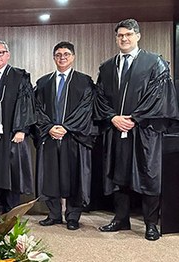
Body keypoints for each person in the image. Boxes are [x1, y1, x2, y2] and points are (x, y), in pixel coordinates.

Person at [94, 19, 179, 241]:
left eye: (128, 34)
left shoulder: (155, 63)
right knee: (119, 175)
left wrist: (134, 118)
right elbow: (100, 97)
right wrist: (113, 117)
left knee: (149, 175)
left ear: (138, 36)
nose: (124, 38)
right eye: (120, 35)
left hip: (145, 130)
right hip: (117, 129)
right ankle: (121, 219)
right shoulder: (107, 66)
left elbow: (158, 96)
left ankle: (151, 224)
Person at [35, 42, 95, 230]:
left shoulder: (84, 81)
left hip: (73, 137)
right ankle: (53, 214)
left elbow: (86, 109)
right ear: (54, 57)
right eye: (58, 54)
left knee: (74, 176)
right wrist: (50, 127)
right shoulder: (43, 82)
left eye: (66, 54)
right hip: (50, 136)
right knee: (51, 175)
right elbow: (36, 109)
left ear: (73, 56)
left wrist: (66, 127)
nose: (62, 57)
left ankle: (72, 216)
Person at [0, 40, 35, 213]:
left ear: (8, 55)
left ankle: (12, 211)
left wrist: (21, 129)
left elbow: (26, 103)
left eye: (1, 52)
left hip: (12, 132)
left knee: (12, 171)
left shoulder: (20, 76)